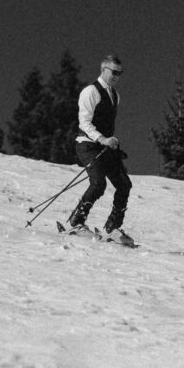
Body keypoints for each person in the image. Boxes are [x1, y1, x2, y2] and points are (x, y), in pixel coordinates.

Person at [67, 55, 132, 235]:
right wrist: (102, 139)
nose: (117, 76)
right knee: (98, 183)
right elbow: (84, 123)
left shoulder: (115, 95)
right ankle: (77, 220)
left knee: (124, 184)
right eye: (114, 72)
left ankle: (113, 227)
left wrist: (111, 143)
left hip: (105, 147)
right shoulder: (91, 91)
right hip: (87, 144)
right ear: (103, 69)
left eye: (120, 73)